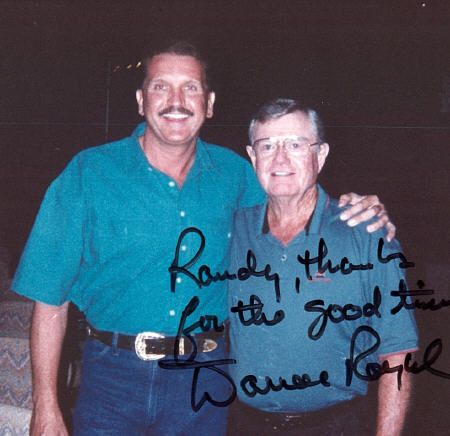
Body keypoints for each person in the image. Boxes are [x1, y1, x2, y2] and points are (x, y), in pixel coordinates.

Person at [13, 42, 396, 435]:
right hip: (111, 378)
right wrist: (46, 405)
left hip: (204, 382)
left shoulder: (237, 175)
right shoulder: (88, 174)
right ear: (141, 100)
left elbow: (295, 195)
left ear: (209, 103)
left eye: (190, 88)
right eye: (161, 87)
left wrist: (356, 207)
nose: (176, 100)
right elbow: (49, 301)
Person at [228, 98, 418, 435]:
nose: (281, 158)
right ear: (252, 156)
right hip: (245, 424)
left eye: (296, 144)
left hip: (336, 425)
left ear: (321, 154)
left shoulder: (368, 236)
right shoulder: (233, 232)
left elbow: (398, 353)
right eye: (268, 145)